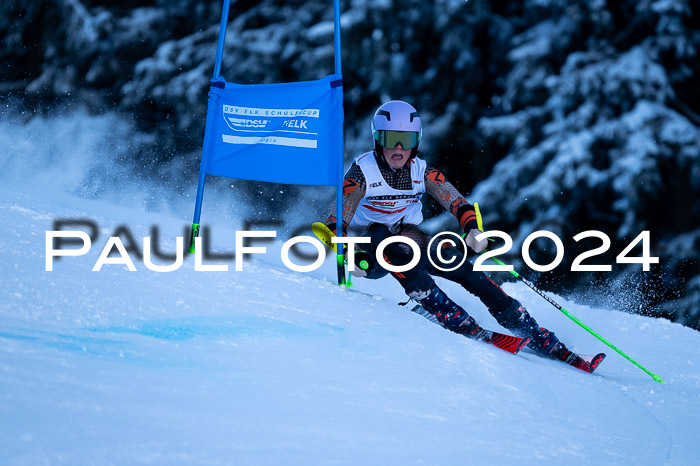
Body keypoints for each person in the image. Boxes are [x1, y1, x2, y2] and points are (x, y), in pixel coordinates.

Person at [324, 100, 573, 361]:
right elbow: (335, 221)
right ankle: (443, 310)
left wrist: (473, 230)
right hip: (369, 252)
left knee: (459, 264)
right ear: (378, 139)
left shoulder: (422, 172)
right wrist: (346, 252)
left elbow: (457, 203)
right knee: (382, 236)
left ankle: (530, 328)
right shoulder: (362, 172)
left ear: (416, 142)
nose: (398, 149)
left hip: (405, 236)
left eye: (405, 140)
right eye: (391, 139)